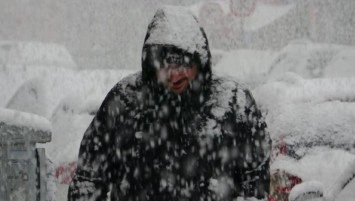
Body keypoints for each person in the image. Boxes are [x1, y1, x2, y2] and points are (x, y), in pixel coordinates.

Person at [68, 5, 271, 201]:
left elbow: (255, 181)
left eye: (183, 63)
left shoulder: (233, 101)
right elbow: (89, 179)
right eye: (165, 64)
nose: (174, 75)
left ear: (200, 61)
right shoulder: (125, 100)